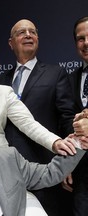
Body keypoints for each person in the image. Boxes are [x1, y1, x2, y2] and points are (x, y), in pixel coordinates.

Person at [0, 19, 76, 215]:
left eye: (33, 32)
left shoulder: (56, 74)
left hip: (43, 168)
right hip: (6, 170)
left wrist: (69, 163)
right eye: (21, 32)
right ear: (11, 43)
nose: (28, 35)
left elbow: (66, 119)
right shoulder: (0, 80)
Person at [67, 16, 88, 216]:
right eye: (81, 39)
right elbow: (64, 122)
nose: (86, 43)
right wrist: (66, 164)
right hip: (81, 176)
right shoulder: (70, 78)